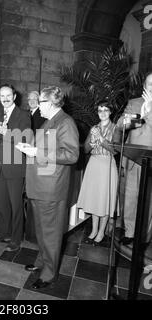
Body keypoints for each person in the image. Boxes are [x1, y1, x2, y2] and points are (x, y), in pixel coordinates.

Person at [21, 86, 79, 289]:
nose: (37, 105)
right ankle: (42, 262)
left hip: (51, 188)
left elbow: (71, 155)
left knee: (51, 232)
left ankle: (49, 274)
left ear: (51, 103)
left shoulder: (66, 122)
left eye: (40, 102)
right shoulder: (49, 121)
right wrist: (31, 150)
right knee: (41, 229)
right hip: (40, 185)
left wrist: (37, 151)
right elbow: (46, 149)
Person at [0, 84, 31, 251]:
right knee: (1, 204)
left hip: (14, 167)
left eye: (8, 95)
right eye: (2, 96)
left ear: (14, 97)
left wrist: (6, 133)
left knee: (16, 205)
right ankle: (3, 232)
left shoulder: (23, 115)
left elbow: (25, 139)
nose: (5, 99)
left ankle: (16, 238)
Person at [116, 71, 152, 245]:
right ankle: (130, 233)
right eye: (149, 84)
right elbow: (120, 125)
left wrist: (148, 113)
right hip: (133, 159)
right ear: (144, 86)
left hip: (150, 162)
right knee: (130, 197)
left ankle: (144, 236)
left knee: (148, 201)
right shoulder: (134, 103)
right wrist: (140, 116)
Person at [77, 102, 118, 245]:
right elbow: (86, 149)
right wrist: (92, 143)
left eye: (106, 110)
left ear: (110, 112)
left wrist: (100, 138)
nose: (103, 113)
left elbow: (115, 150)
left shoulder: (116, 128)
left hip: (107, 165)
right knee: (95, 199)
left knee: (104, 199)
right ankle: (94, 230)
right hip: (93, 164)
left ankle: (101, 232)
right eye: (100, 110)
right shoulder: (94, 128)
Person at [25, 90, 46, 243]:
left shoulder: (42, 115)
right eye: (30, 99)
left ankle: (33, 228)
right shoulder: (26, 114)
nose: (32, 101)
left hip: (36, 154)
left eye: (35, 99)